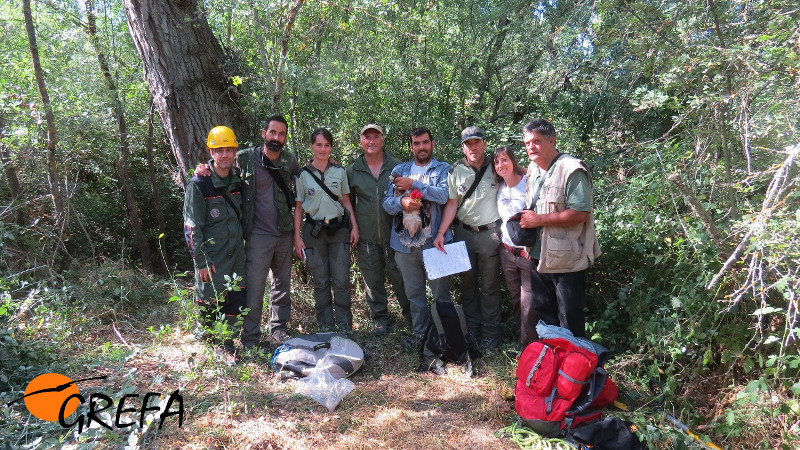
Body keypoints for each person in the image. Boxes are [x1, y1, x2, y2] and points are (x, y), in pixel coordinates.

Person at [194, 115, 299, 349]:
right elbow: (221, 166)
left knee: (282, 284)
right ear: (264, 133)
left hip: (284, 232)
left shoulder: (289, 160)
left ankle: (278, 329)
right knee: (254, 288)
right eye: (273, 133)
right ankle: (250, 337)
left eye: (281, 134)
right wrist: (202, 168)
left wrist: (329, 163)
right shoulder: (245, 158)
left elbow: (307, 181)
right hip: (257, 235)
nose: (277, 138)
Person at [518, 118, 601, 337]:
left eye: (536, 141)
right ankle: (553, 368)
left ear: (552, 140)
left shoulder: (571, 169)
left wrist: (539, 220)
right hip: (538, 257)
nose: (531, 147)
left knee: (569, 321)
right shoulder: (533, 170)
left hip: (567, 261)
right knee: (546, 320)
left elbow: (581, 213)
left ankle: (576, 369)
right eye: (527, 143)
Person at [433, 126, 503, 352]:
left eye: (477, 142)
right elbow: (452, 204)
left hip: (490, 234)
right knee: (468, 284)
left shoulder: (497, 165)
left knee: (490, 285)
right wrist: (442, 232)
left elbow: (518, 181)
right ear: (463, 147)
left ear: (484, 144)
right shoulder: (456, 170)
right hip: (463, 233)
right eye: (468, 144)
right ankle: (472, 330)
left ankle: (492, 334)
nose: (472, 147)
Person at [183, 126, 246, 365]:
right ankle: (210, 343)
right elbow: (192, 227)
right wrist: (201, 261)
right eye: (219, 150)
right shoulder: (199, 184)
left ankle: (227, 343)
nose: (225, 155)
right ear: (211, 151)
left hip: (236, 255)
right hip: (212, 257)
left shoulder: (239, 180)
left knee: (234, 300)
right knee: (210, 301)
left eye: (229, 149)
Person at [383, 127, 452, 347]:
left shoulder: (443, 169)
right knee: (414, 294)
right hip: (404, 244)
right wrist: (401, 202)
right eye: (416, 143)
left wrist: (414, 185)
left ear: (432, 144)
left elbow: (443, 196)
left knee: (441, 293)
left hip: (435, 242)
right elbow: (387, 204)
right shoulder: (399, 170)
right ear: (411, 146)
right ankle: (420, 335)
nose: (421, 147)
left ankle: (446, 336)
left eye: (425, 142)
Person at [346, 124, 410, 336]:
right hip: (366, 234)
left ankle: (410, 314)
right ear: (361, 141)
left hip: (395, 233)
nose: (371, 141)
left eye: (376, 137)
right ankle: (380, 317)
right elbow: (348, 203)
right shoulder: (353, 170)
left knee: (400, 275)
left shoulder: (397, 167)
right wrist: (353, 228)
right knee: (372, 278)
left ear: (382, 140)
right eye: (367, 137)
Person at [294, 128, 359, 332]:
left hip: (339, 230)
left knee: (341, 280)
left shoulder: (339, 171)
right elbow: (297, 208)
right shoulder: (302, 175)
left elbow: (347, 201)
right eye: (319, 145)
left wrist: (354, 227)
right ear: (312, 146)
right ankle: (326, 326)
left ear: (331, 147)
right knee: (321, 281)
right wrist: (297, 237)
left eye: (327, 145)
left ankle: (344, 326)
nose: (323, 149)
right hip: (314, 232)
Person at [492, 146, 535, 349]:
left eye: (505, 160)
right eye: (497, 162)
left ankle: (528, 348)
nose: (501, 165)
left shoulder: (528, 184)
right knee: (517, 299)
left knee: (529, 303)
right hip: (507, 251)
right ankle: (524, 338)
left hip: (527, 253)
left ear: (513, 161)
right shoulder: (501, 186)